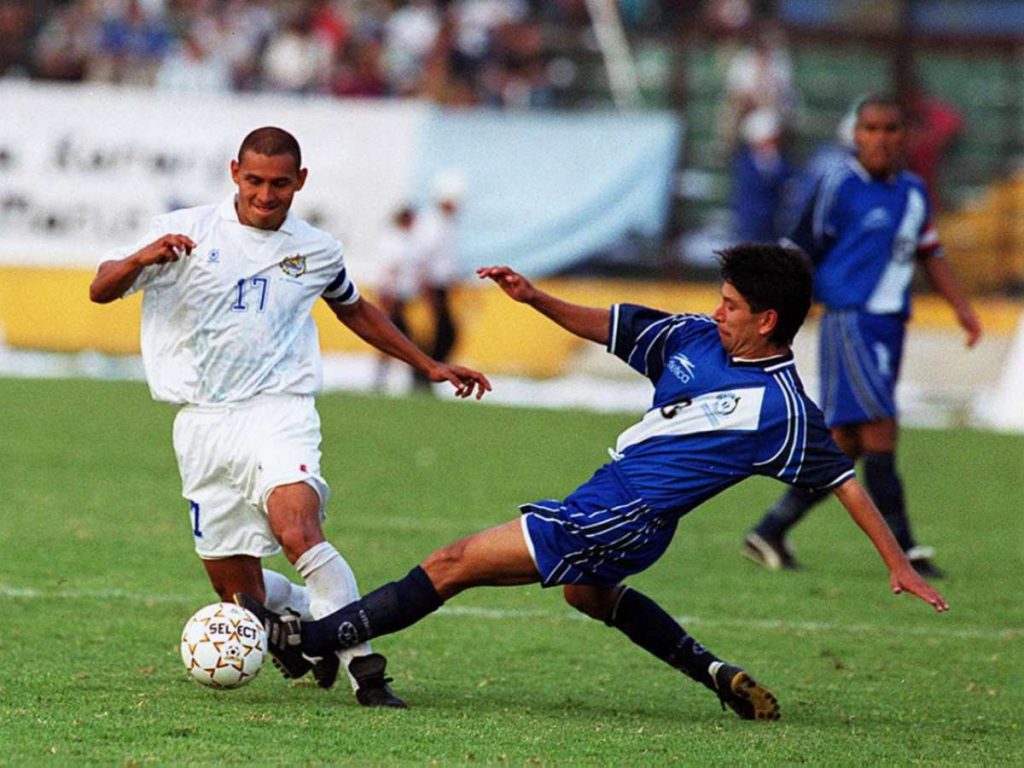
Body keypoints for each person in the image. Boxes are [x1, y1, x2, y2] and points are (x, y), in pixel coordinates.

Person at [237, 244, 948, 720]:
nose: (717, 310)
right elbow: (612, 327)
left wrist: (896, 563)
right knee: (588, 594)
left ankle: (311, 638)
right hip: (614, 505)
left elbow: (845, 481)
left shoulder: (786, 410)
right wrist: (534, 299)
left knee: (454, 562)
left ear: (767, 321)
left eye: (731, 305)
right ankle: (714, 673)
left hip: (621, 516)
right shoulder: (694, 338)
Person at [89, 127, 491, 708]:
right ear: (234, 172)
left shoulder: (316, 249)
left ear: (299, 181)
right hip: (201, 423)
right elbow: (101, 289)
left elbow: (355, 309)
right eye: (254, 180)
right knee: (241, 602)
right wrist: (140, 259)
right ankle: (309, 622)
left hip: (279, 410)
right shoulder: (184, 231)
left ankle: (367, 672)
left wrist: (428, 364)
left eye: (279, 183)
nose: (265, 194)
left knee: (298, 530)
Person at [742, 95, 982, 578]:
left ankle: (770, 530)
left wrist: (961, 308)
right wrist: (783, 309)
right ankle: (906, 549)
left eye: (890, 129)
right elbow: (798, 248)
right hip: (849, 321)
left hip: (889, 326)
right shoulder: (838, 184)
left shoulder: (912, 191)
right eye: (870, 129)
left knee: (846, 443)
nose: (880, 139)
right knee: (880, 430)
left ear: (904, 136)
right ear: (856, 135)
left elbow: (929, 250)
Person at [415, 171, 466, 375]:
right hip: (432, 285)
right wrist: (427, 288)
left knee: (442, 332)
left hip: (441, 285)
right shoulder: (433, 223)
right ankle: (426, 372)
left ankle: (427, 372)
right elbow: (423, 257)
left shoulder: (445, 223)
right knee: (444, 332)